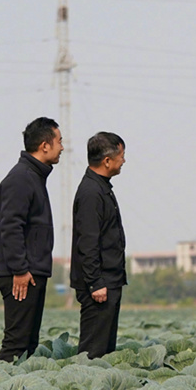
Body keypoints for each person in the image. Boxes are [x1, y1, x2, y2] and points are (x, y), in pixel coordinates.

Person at [0, 117, 62, 362]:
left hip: (32, 271)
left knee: (28, 345)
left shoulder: (34, 176)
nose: (62, 147)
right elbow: (10, 227)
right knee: (16, 345)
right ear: (45, 145)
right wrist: (20, 269)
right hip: (22, 275)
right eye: (59, 141)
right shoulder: (21, 178)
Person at [70, 132, 128, 359]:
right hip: (99, 285)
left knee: (105, 350)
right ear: (107, 161)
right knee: (93, 352)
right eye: (121, 155)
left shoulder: (100, 187)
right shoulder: (91, 193)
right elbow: (88, 242)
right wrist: (95, 283)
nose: (123, 161)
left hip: (108, 281)